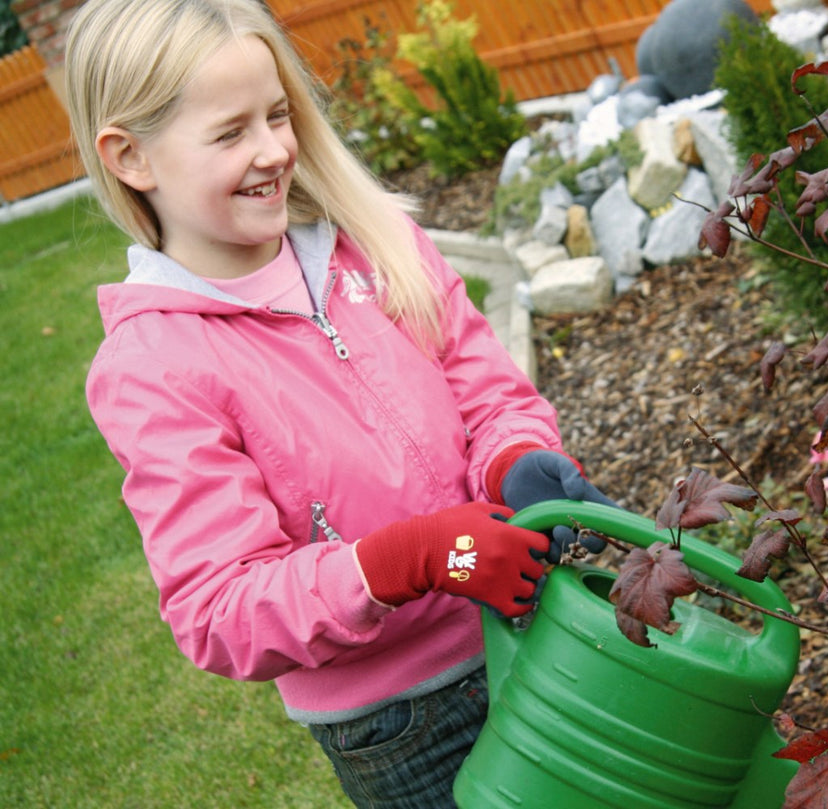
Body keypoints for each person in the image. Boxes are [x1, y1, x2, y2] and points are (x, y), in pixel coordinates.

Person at [63, 0, 615, 805]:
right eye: (230, 133)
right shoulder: (155, 364)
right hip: (410, 729)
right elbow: (219, 608)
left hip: (534, 634)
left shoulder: (369, 237)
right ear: (130, 156)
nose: (275, 150)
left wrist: (516, 461)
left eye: (279, 115)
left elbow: (486, 383)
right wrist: (406, 560)